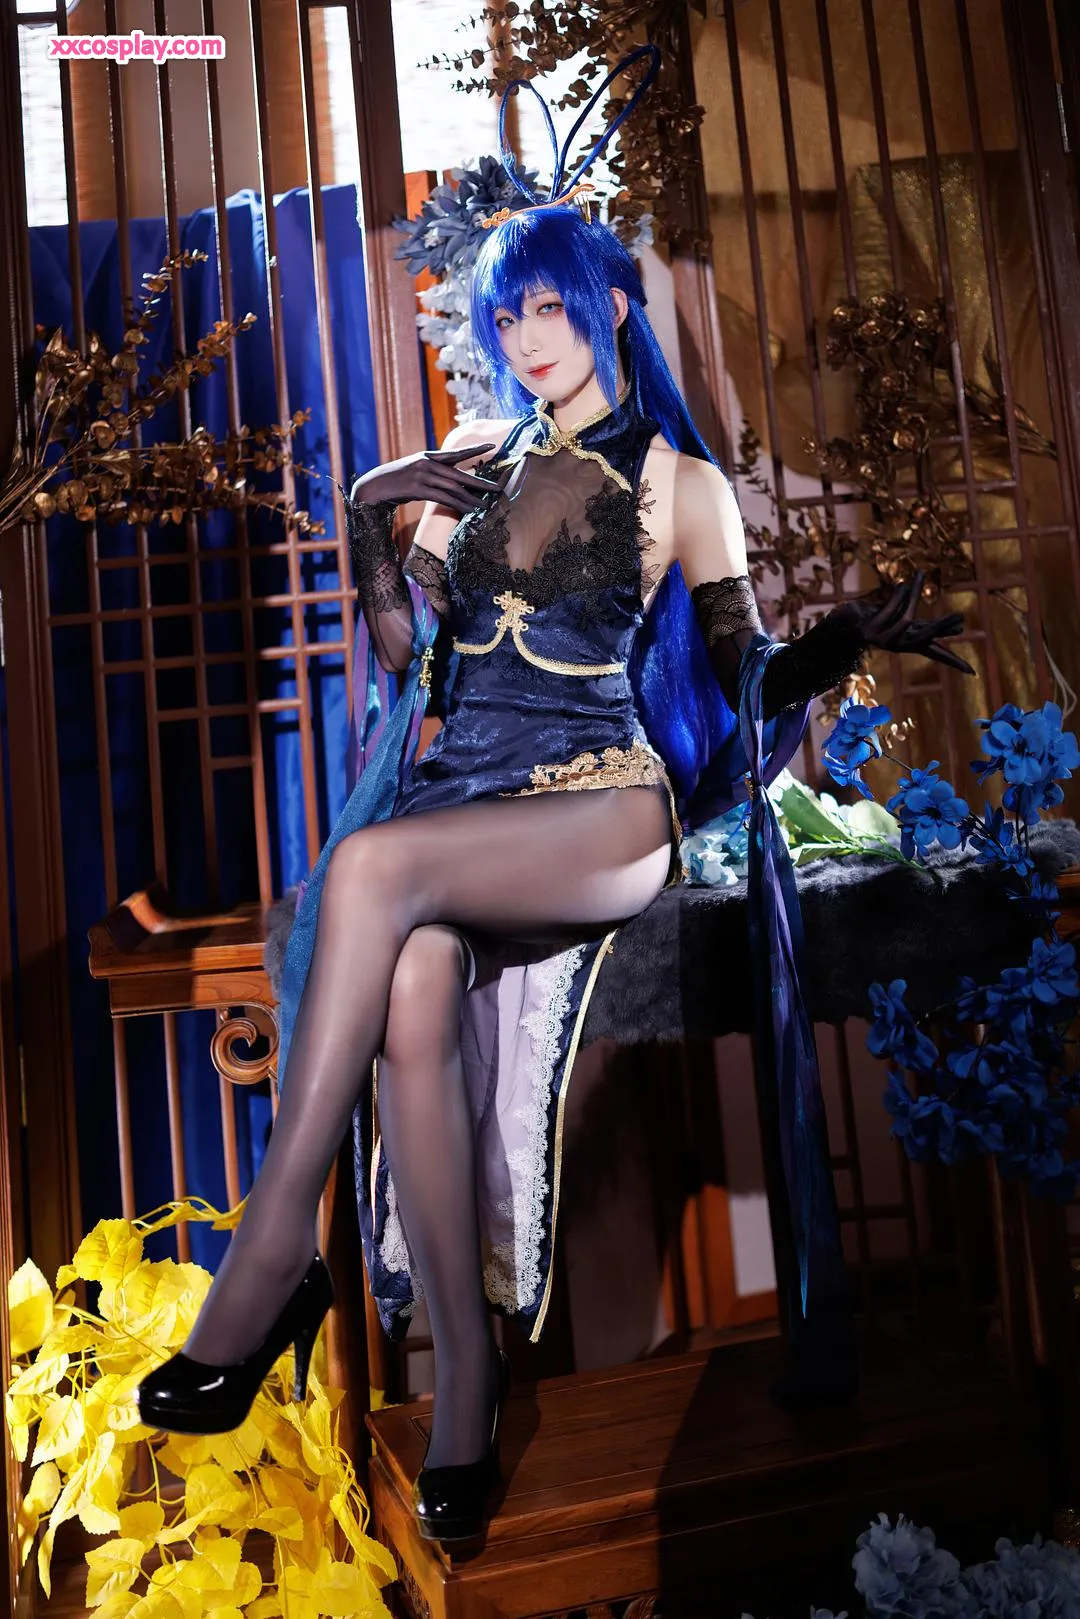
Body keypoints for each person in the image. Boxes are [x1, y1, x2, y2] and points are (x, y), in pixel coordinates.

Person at [137, 47, 971, 1547]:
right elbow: (408, 661)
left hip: (602, 811)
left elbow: (746, 683)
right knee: (411, 979)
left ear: (608, 308)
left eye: (548, 307)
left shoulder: (679, 486)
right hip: (473, 805)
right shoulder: (474, 463)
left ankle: (271, 1257)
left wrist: (845, 640)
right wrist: (376, 518)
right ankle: (467, 1381)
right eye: (504, 314)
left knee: (372, 874)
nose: (525, 338)